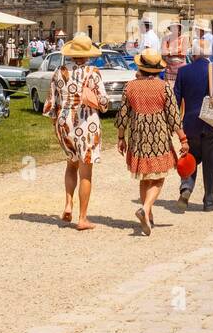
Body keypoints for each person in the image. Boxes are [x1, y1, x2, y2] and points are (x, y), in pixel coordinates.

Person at [116, 49, 187, 235]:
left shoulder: (130, 87)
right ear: (156, 69)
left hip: (138, 135)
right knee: (158, 176)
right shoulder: (164, 87)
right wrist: (183, 139)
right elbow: (173, 117)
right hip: (159, 135)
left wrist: (121, 138)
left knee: (144, 177)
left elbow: (123, 116)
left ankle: (149, 216)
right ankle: (146, 209)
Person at [44, 33, 107, 230]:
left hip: (64, 123)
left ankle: (68, 203)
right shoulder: (93, 72)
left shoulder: (59, 72)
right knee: (85, 172)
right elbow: (104, 103)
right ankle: (82, 218)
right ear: (88, 54)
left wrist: (58, 125)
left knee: (71, 165)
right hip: (86, 122)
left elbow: (50, 105)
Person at [172, 37, 213, 211]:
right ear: (209, 53)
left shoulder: (183, 72)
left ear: (193, 53)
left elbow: (175, 101)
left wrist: (175, 125)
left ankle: (186, 188)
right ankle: (209, 200)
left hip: (190, 125)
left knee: (190, 157)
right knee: (212, 161)